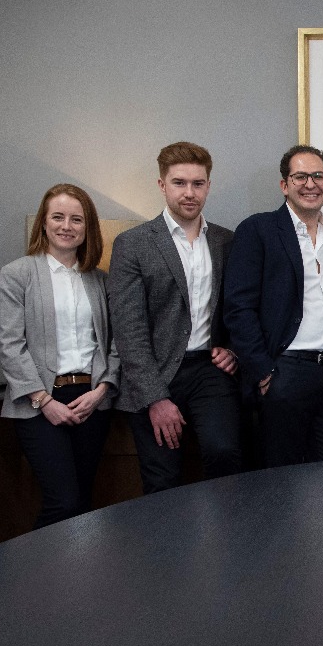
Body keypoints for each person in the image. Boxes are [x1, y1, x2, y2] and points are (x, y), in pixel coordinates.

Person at [107, 142, 243, 494]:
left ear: (208, 186)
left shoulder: (227, 241)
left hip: (209, 371)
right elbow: (129, 329)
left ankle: (227, 530)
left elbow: (241, 307)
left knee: (225, 454)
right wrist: (155, 398)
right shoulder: (133, 243)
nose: (189, 193)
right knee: (162, 479)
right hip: (154, 371)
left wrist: (232, 348)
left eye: (198, 183)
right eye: (179, 183)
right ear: (162, 185)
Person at [224, 145, 323, 466]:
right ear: (284, 185)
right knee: (282, 476)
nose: (310, 184)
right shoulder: (258, 229)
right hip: (283, 372)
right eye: (300, 176)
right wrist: (263, 371)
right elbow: (238, 307)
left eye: (318, 176)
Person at [0, 184, 120, 528]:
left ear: (88, 226)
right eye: (58, 217)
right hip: (39, 402)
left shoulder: (100, 280)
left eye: (76, 219)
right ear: (44, 222)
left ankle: (78, 567)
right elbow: (10, 344)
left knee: (82, 503)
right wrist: (43, 400)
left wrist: (102, 390)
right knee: (62, 502)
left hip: (91, 402)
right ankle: (39, 565)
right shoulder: (17, 274)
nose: (67, 226)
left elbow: (115, 343)